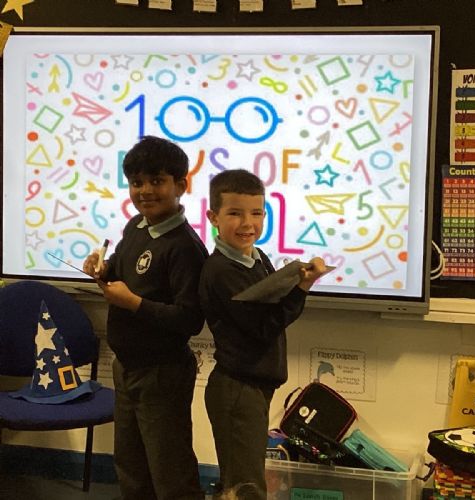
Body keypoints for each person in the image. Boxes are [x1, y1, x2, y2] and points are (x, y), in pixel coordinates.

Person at [83, 135, 208, 500]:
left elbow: (190, 319)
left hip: (162, 373)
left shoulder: (186, 247)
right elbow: (122, 270)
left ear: (180, 185)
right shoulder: (135, 227)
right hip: (127, 366)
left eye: (157, 180)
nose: (146, 191)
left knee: (170, 472)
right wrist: (103, 269)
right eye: (137, 182)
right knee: (130, 466)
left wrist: (135, 303)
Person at [199, 169, 327, 500]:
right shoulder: (221, 270)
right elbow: (264, 327)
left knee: (242, 479)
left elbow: (270, 311)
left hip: (253, 386)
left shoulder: (256, 258)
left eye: (256, 213)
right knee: (246, 487)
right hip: (237, 389)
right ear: (213, 217)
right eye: (235, 213)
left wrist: (297, 284)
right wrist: (301, 288)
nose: (248, 223)